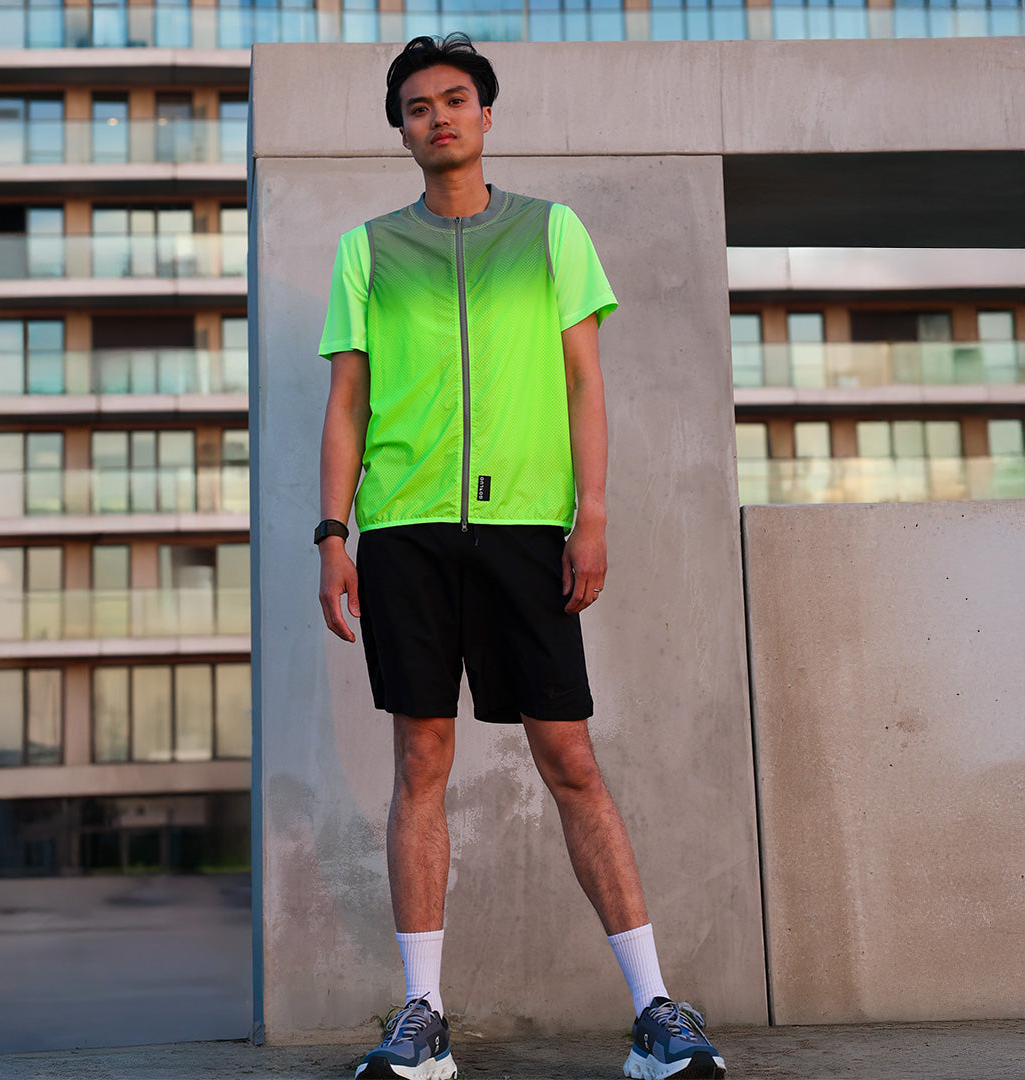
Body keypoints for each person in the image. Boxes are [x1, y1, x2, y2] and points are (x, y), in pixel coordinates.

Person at [315, 32, 726, 1080]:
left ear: (487, 116)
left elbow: (586, 382)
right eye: (417, 106)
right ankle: (422, 1022)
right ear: (401, 128)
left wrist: (590, 515)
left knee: (571, 760)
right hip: (403, 535)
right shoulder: (367, 250)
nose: (438, 117)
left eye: (455, 100)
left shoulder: (551, 234)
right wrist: (333, 532)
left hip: (524, 534)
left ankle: (655, 1012)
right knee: (421, 765)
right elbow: (348, 402)